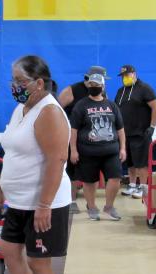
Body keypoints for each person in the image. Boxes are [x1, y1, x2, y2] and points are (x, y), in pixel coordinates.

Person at [0, 55, 71, 274]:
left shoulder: (49, 112)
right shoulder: (21, 109)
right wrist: (0, 190)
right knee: (8, 250)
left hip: (42, 203)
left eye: (20, 80)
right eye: (13, 80)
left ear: (39, 83)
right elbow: (11, 153)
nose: (14, 86)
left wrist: (44, 205)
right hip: (18, 201)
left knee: (38, 263)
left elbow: (57, 160)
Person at [70, 73, 126, 221]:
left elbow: (120, 129)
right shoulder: (81, 105)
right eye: (91, 85)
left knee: (115, 178)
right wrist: (74, 150)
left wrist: (123, 148)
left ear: (103, 87)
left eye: (96, 85)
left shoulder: (111, 105)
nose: (93, 87)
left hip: (111, 151)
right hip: (88, 152)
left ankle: (109, 206)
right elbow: (73, 130)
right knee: (89, 181)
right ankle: (92, 207)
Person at [58, 66, 110, 213]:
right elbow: (56, 110)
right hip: (71, 136)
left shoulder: (102, 91)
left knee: (90, 172)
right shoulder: (71, 90)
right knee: (71, 171)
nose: (101, 84)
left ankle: (91, 205)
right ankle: (71, 201)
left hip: (92, 139)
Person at [114, 65, 156, 199]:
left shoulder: (144, 88)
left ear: (134, 74)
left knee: (141, 163)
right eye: (123, 76)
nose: (125, 78)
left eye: (127, 75)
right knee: (130, 163)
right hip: (125, 134)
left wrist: (152, 126)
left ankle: (143, 187)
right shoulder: (121, 91)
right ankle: (132, 185)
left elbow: (155, 107)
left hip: (141, 133)